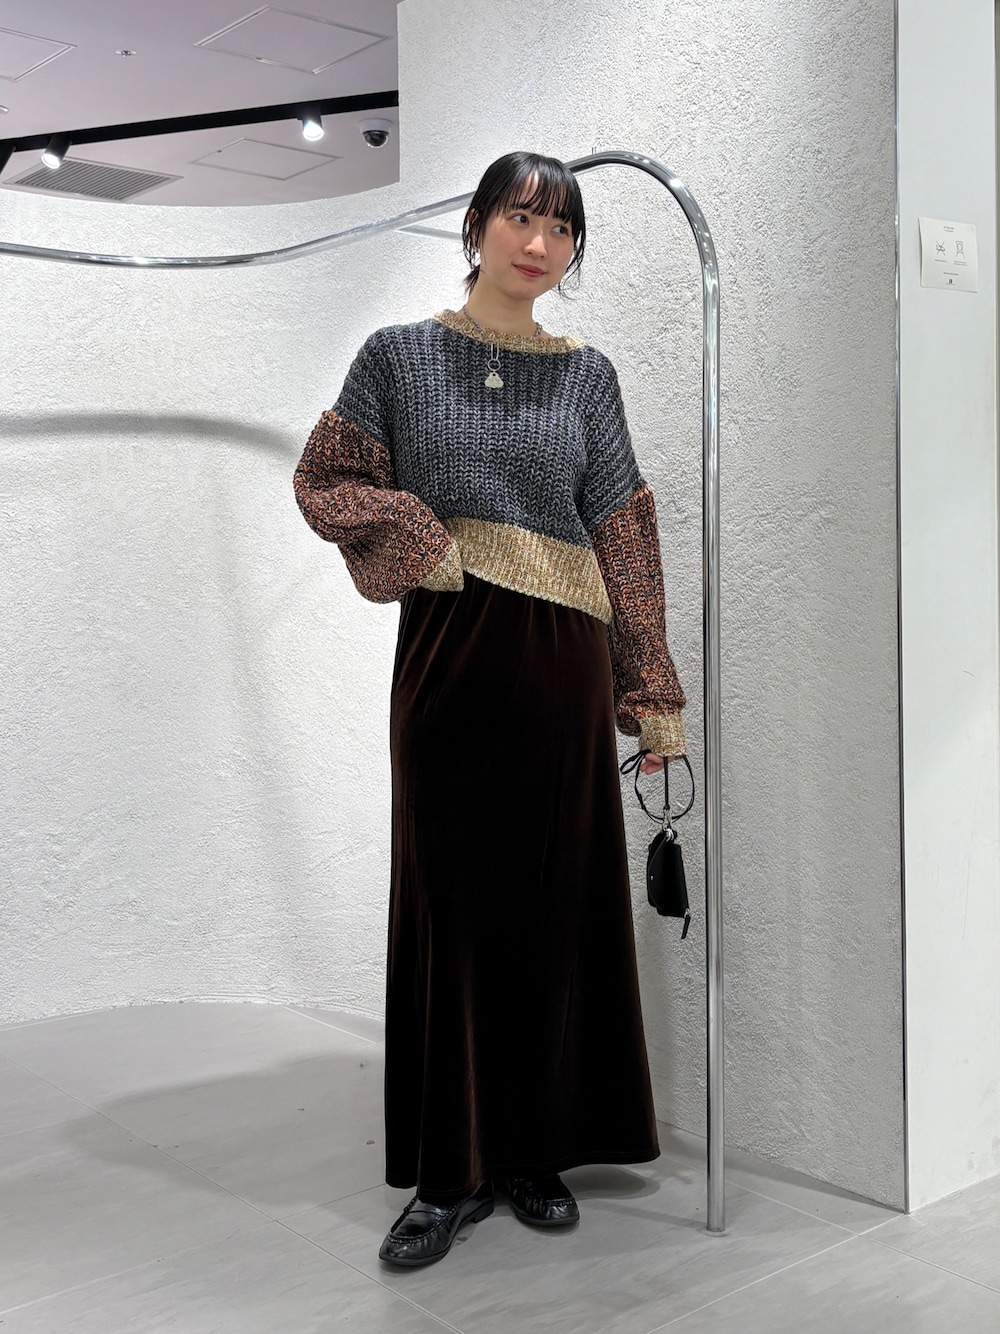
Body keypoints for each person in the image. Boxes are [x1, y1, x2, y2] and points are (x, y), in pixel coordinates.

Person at [293, 150, 687, 1268]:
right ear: (476, 226)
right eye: (520, 217)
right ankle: (447, 1171)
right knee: (452, 902)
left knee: (556, 903)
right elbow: (323, 479)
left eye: (561, 229)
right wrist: (418, 535)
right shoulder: (398, 356)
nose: (539, 244)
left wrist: (651, 693)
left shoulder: (588, 377)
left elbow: (622, 530)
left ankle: (532, 1150)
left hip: (564, 667)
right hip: (451, 660)